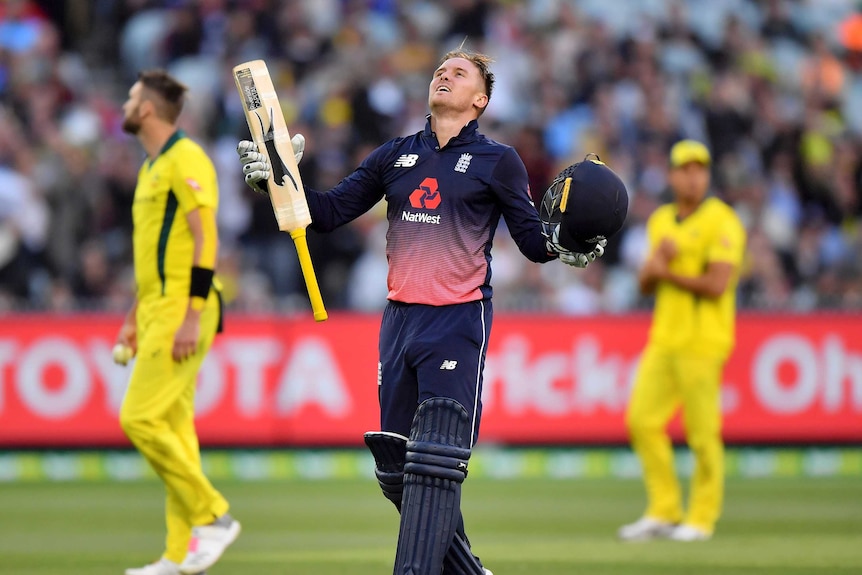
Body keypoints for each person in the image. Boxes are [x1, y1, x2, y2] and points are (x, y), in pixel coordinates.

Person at [238, 50, 607, 575]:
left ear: (480, 100)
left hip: (456, 320)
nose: (444, 74)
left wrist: (565, 242)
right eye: (441, 69)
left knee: (434, 463)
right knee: (398, 472)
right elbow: (328, 212)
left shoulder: (498, 160)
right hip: (400, 322)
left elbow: (531, 241)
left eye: (459, 73)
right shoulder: (394, 155)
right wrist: (280, 180)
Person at [115, 69, 240, 575]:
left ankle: (213, 515)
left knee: (138, 418)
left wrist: (189, 315)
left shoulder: (186, 157)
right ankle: (175, 556)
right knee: (173, 431)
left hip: (182, 308)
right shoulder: (151, 167)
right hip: (156, 307)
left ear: (147, 109)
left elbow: (204, 238)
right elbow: (153, 255)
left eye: (130, 98)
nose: (125, 104)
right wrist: (132, 316)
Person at [618, 140, 746, 542]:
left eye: (700, 169)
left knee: (702, 431)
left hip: (704, 340)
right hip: (665, 337)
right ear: (672, 175)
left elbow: (717, 284)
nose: (693, 176)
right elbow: (643, 284)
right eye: (685, 169)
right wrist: (656, 266)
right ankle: (665, 509)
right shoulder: (660, 221)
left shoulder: (722, 220)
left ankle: (701, 517)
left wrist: (666, 269)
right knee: (641, 421)